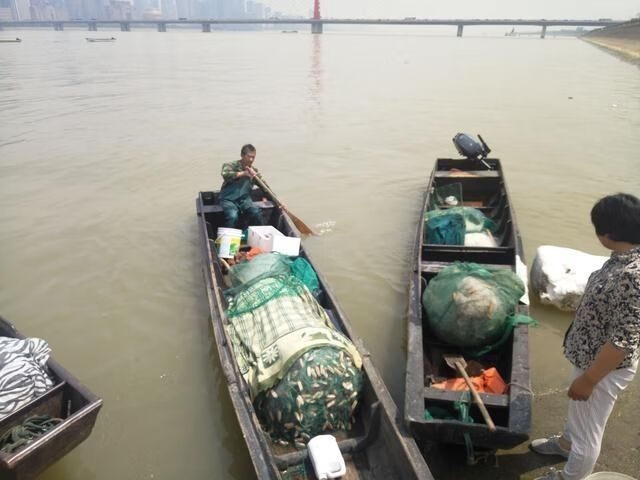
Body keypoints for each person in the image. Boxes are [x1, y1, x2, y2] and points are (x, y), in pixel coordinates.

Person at [531, 193, 640, 480]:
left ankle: (571, 476)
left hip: (604, 367)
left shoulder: (632, 275)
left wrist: (590, 379)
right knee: (579, 415)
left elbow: (623, 340)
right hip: (590, 355)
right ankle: (566, 444)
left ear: (609, 233)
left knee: (588, 433)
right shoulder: (622, 257)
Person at [219, 144, 264, 228]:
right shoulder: (230, 165)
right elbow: (225, 174)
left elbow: (264, 186)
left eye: (253, 157)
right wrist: (243, 173)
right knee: (232, 216)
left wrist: (277, 201)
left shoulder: (254, 171)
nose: (251, 159)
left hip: (244, 199)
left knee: (256, 212)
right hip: (228, 199)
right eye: (249, 156)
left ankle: (255, 234)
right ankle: (227, 236)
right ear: (242, 155)